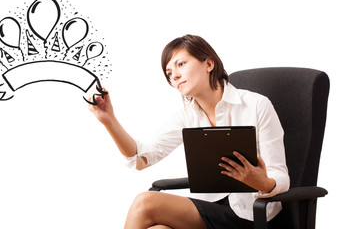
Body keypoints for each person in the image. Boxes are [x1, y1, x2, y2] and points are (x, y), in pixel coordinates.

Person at [89, 35, 290, 229]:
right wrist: (109, 120)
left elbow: (280, 175)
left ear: (209, 65)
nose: (174, 75)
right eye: (169, 73)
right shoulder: (186, 114)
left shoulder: (257, 105)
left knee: (145, 202)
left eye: (181, 64)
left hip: (254, 215)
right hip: (211, 211)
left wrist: (263, 183)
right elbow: (141, 159)